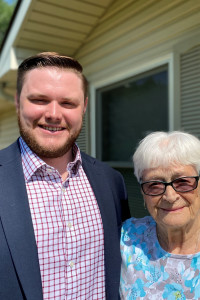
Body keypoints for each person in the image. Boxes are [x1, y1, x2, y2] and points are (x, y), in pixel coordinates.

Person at [0, 52, 130, 300]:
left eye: (67, 103)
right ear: (18, 102)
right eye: (39, 99)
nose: (53, 114)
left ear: (84, 107)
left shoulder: (112, 182)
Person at [120, 131, 200, 299]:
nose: (170, 196)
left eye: (183, 182)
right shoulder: (128, 237)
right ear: (143, 193)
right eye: (154, 184)